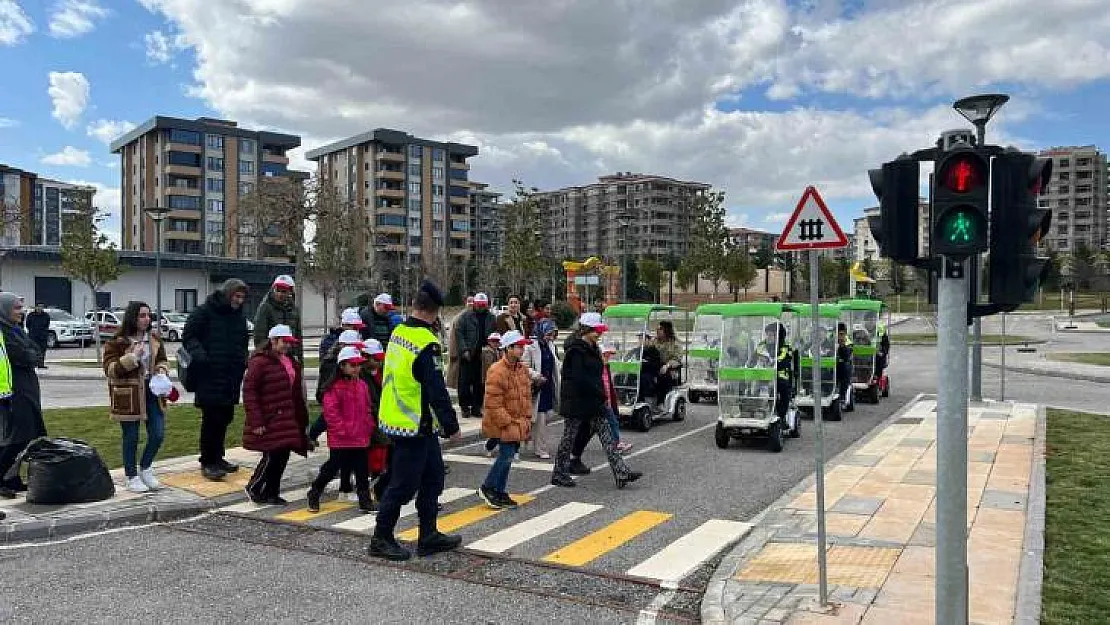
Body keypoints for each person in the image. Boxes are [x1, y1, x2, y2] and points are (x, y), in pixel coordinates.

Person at [369, 280, 462, 562]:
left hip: (401, 420)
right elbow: (435, 389)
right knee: (403, 484)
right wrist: (452, 426)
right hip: (413, 425)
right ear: (435, 313)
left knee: (433, 477)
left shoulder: (399, 331)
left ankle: (428, 535)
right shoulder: (425, 343)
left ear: (415, 306)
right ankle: (381, 538)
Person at [551, 312, 641, 489]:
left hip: (594, 401)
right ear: (586, 330)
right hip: (577, 402)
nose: (599, 334)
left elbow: (596, 374)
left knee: (607, 436)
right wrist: (598, 393)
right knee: (568, 438)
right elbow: (578, 379)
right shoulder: (575, 351)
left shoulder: (593, 348)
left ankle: (621, 472)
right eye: (596, 331)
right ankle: (559, 473)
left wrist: (600, 394)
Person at [183, 279, 250, 481]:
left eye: (242, 297)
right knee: (211, 419)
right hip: (209, 375)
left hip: (231, 375)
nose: (239, 300)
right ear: (227, 294)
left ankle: (218, 457)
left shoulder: (238, 317)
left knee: (225, 417)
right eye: (236, 296)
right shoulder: (203, 312)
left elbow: (242, 341)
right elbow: (189, 337)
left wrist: (243, 360)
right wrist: (201, 356)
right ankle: (208, 461)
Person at [103, 301, 170, 493]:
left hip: (152, 392)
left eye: (148, 315)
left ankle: (146, 467)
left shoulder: (154, 338)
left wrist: (161, 370)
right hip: (128, 395)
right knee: (131, 436)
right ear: (132, 317)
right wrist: (132, 358)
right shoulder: (117, 342)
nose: (147, 319)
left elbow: (163, 360)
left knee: (157, 434)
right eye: (142, 315)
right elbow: (110, 370)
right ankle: (131, 476)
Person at [242, 325, 310, 504]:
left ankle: (271, 492)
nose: (287, 345)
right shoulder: (259, 362)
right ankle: (255, 487)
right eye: (284, 342)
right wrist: (256, 421)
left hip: (287, 417)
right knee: (272, 455)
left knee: (282, 456)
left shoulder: (289, 360)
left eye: (289, 342)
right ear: (273, 341)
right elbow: (250, 392)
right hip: (270, 417)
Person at [308, 346, 375, 514]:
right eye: (352, 365)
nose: (356, 368)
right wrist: (342, 430)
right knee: (332, 469)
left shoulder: (362, 386)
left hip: (360, 436)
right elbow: (331, 413)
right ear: (342, 366)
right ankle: (315, 491)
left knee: (362, 470)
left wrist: (368, 426)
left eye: (358, 364)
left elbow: (367, 409)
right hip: (342, 438)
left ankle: (365, 500)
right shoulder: (334, 388)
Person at [478, 330, 533, 509]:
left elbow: (525, 395)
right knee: (506, 456)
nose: (522, 349)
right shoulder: (497, 370)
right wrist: (508, 422)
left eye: (522, 346)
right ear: (507, 348)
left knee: (507, 457)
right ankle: (487, 487)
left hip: (517, 422)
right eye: (518, 346)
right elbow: (493, 402)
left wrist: (526, 418)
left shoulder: (522, 368)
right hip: (505, 423)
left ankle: (499, 491)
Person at [0, 293, 45, 499]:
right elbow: (24, 355)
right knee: (17, 438)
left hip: (26, 390)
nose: (21, 312)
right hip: (13, 392)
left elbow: (36, 351)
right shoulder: (4, 332)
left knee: (28, 437)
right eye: (17, 308)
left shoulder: (15, 329)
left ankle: (12, 478)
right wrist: (31, 354)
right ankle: (2, 478)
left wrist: (32, 354)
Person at [523, 319, 559, 459]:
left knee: (541, 419)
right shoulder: (530, 347)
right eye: (548, 334)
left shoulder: (551, 346)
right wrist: (536, 376)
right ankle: (540, 449)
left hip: (548, 387)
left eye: (552, 334)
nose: (550, 337)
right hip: (536, 388)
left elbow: (556, 364)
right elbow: (525, 366)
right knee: (539, 419)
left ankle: (529, 440)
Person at [455, 292, 494, 418]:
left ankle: (477, 406)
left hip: (484, 355)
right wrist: (464, 350)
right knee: (464, 382)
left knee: (480, 383)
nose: (481, 307)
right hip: (468, 353)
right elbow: (459, 333)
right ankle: (465, 406)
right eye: (479, 305)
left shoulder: (491, 317)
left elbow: (494, 333)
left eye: (483, 305)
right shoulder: (465, 317)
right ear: (474, 304)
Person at [253, 274, 303, 364]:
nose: (280, 294)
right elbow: (259, 337)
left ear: (290, 292)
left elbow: (298, 337)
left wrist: (300, 362)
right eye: (277, 290)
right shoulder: (265, 308)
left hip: (290, 358)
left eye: (283, 291)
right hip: (271, 358)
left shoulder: (294, 310)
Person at [600, 344, 632, 454]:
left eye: (608, 356)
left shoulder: (606, 367)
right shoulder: (597, 369)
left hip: (606, 401)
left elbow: (610, 386)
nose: (607, 358)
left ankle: (615, 443)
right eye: (605, 355)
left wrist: (613, 400)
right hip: (600, 401)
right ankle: (616, 444)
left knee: (611, 422)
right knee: (612, 423)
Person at [445, 297, 472, 391]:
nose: (471, 303)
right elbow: (452, 337)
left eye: (473, 301)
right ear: (465, 303)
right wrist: (453, 353)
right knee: (462, 381)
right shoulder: (458, 318)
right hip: (461, 354)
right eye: (469, 301)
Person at [24, 303, 49, 369]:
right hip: (33, 336)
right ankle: (33, 364)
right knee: (32, 350)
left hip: (42, 337)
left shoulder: (46, 316)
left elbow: (47, 325)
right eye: (38, 306)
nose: (40, 308)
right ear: (35, 307)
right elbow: (27, 325)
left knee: (42, 351)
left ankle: (41, 364)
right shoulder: (31, 315)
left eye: (41, 306)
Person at [835, 322, 854, 407]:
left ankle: (842, 395)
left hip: (842, 365)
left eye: (841, 333)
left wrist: (842, 345)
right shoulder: (830, 339)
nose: (839, 335)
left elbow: (846, 356)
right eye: (838, 333)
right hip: (830, 364)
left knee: (845, 367)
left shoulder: (848, 342)